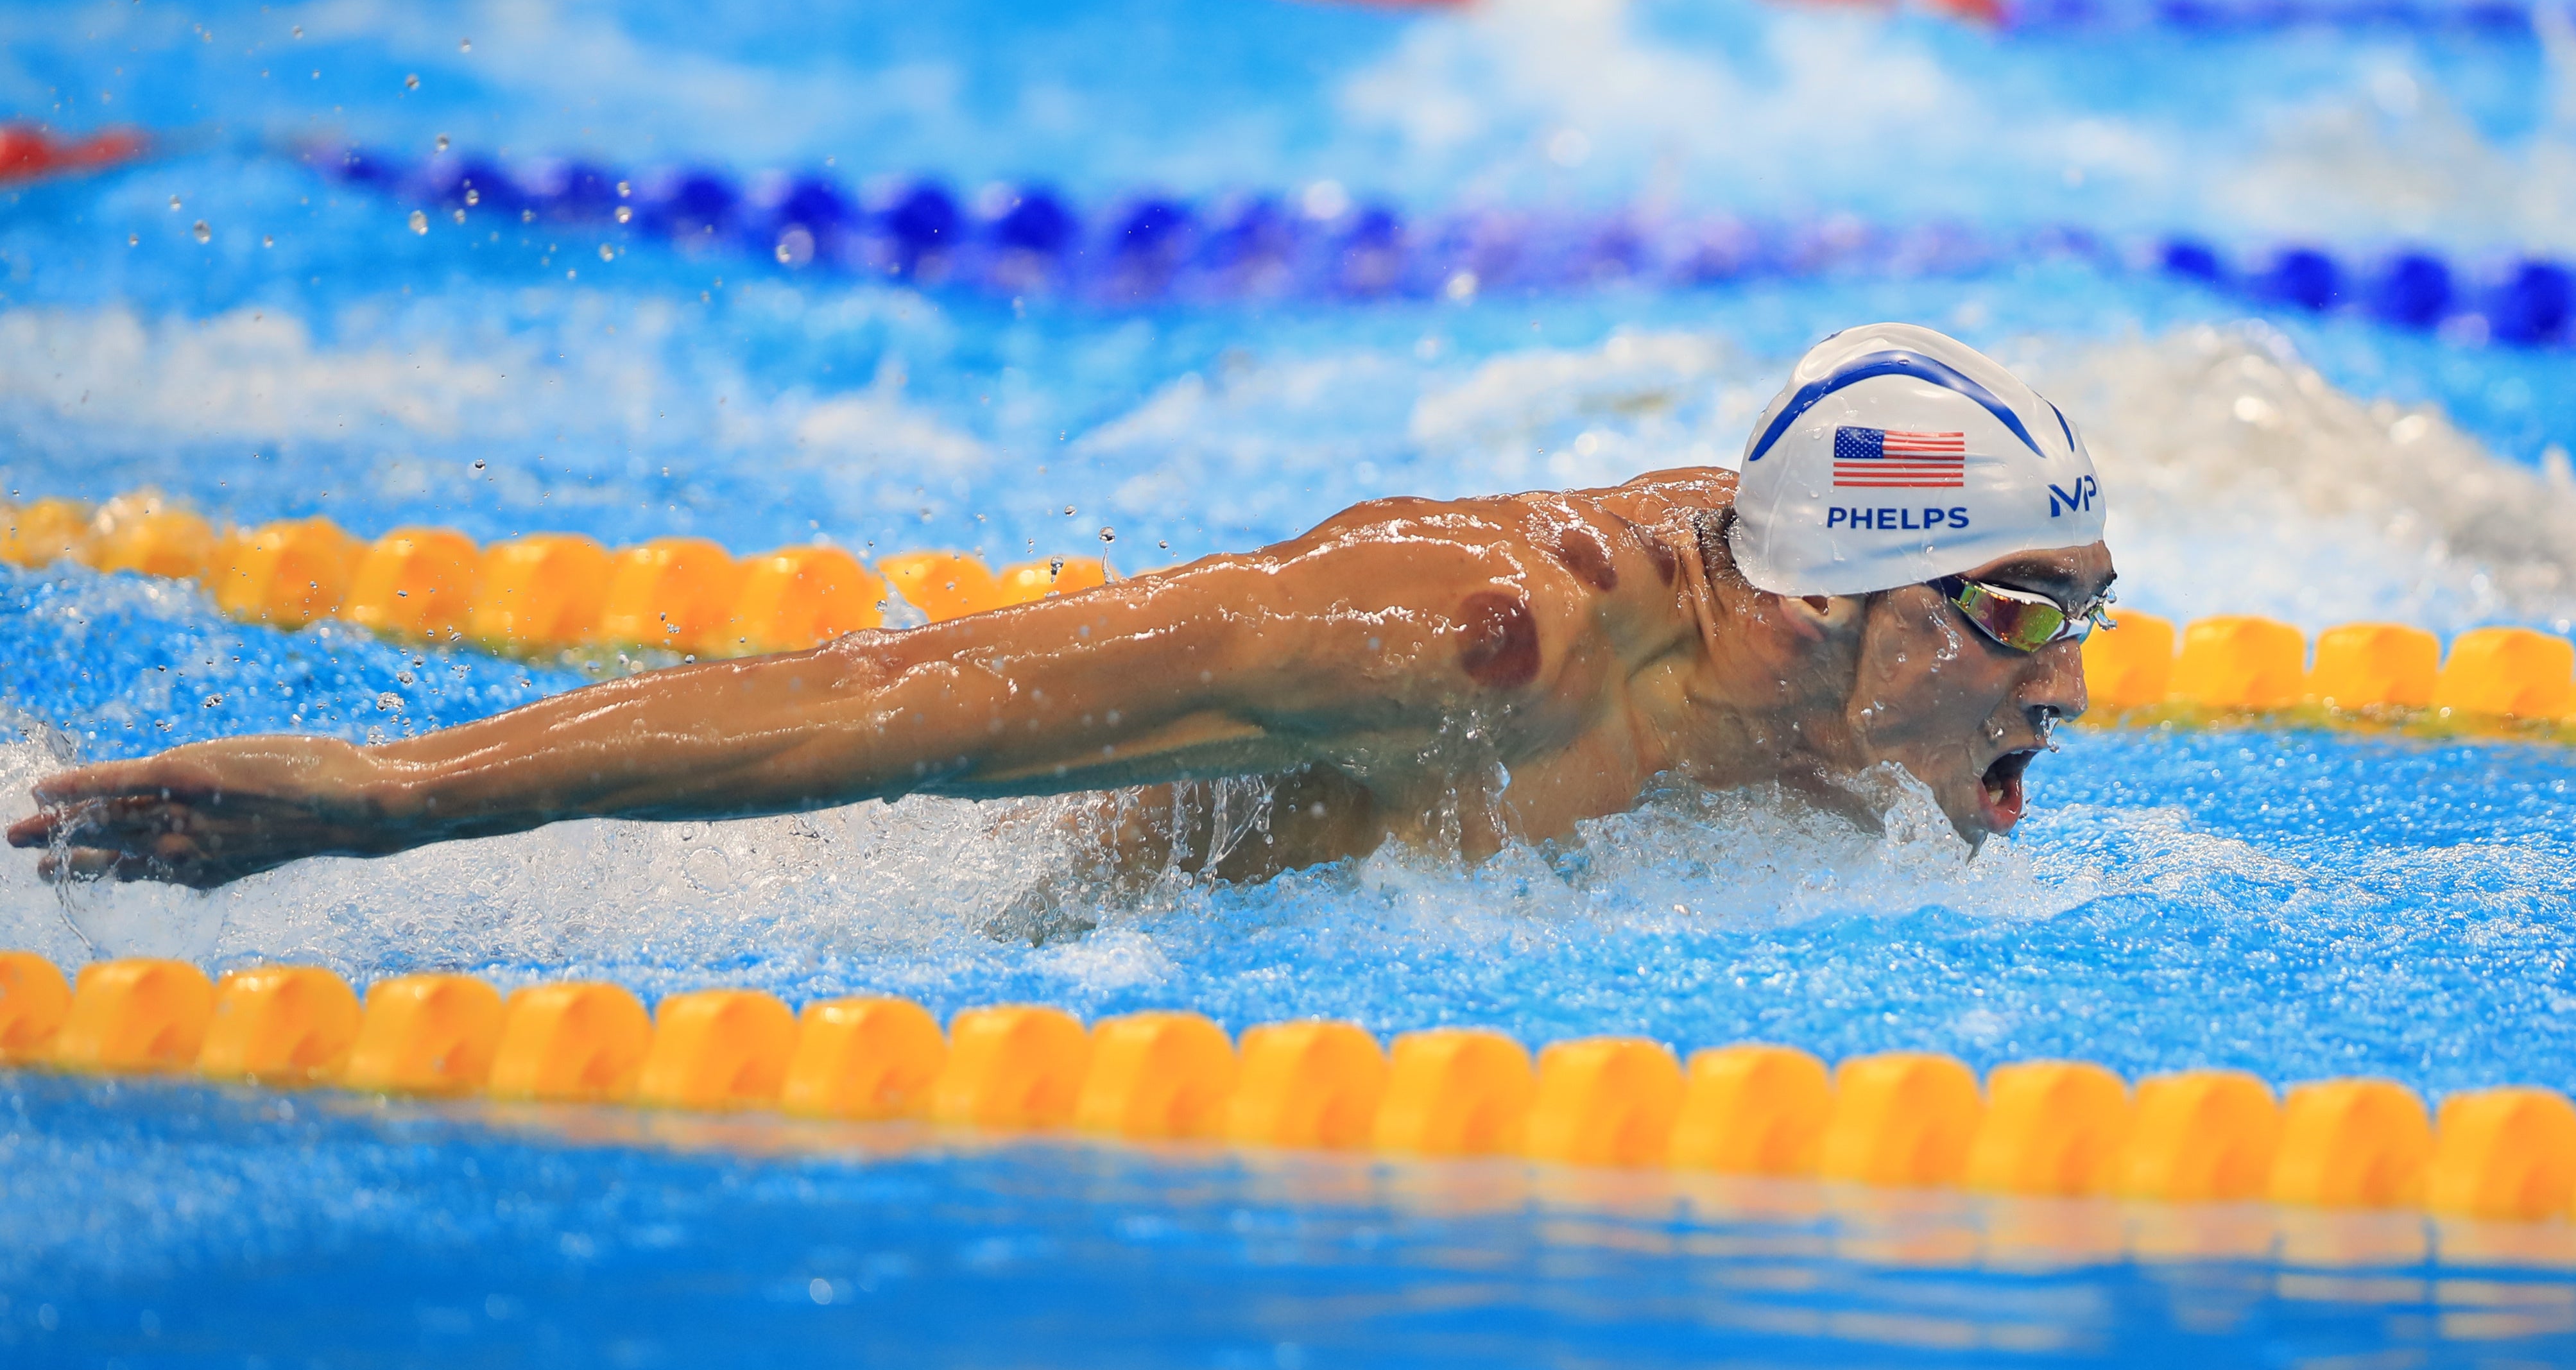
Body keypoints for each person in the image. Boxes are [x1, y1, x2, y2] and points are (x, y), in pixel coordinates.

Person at [8, 323, 2114, 889]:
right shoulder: (1466, 640)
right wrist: (398, 792)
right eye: (2026, 619)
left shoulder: (1840, 700)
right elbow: (902, 702)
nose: (2077, 691)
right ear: (1844, 598)